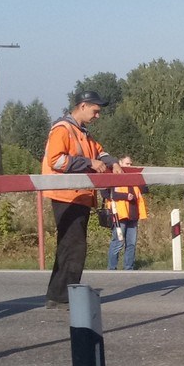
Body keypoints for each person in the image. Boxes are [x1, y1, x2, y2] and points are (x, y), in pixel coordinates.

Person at [43, 91, 122, 309]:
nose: (97, 116)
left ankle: (58, 294)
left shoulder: (81, 132)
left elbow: (100, 152)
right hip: (67, 196)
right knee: (74, 247)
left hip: (77, 196)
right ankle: (63, 297)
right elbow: (56, 161)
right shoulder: (63, 129)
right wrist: (88, 163)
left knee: (68, 247)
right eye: (95, 111)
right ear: (83, 106)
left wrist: (112, 161)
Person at [104, 156, 148, 270]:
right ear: (120, 163)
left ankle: (129, 268)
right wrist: (125, 196)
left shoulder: (134, 177)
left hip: (133, 214)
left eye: (130, 164)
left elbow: (145, 190)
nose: (129, 166)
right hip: (119, 214)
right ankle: (112, 268)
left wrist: (141, 180)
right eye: (127, 164)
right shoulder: (113, 176)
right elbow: (107, 194)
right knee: (118, 243)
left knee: (131, 244)